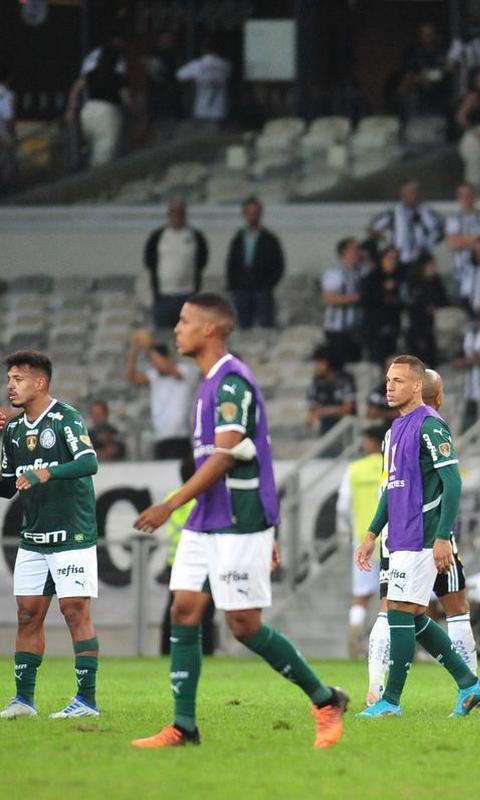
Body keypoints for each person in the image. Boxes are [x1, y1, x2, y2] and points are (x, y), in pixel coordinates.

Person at [131, 294, 349, 748]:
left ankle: (326, 699)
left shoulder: (231, 382)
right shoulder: (208, 382)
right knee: (184, 609)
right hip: (208, 517)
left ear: (210, 329)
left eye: (185, 321)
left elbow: (226, 455)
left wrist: (171, 503)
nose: (177, 329)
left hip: (237, 515)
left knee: (243, 624)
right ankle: (184, 726)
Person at [354, 356, 480, 719]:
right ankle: (469, 684)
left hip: (423, 534)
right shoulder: (397, 428)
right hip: (399, 535)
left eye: (398, 380)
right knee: (410, 616)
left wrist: (443, 537)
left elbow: (453, 481)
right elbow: (392, 489)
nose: (389, 386)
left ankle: (391, 701)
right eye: (388, 379)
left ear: (417, 386)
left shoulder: (430, 425)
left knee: (401, 611)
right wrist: (372, 533)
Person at [0, 351, 101, 720]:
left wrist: (49, 472)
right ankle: (24, 701)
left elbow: (89, 462)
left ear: (40, 383)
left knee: (75, 611)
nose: (10, 385)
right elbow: (8, 487)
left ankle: (86, 701)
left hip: (72, 533)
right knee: (27, 615)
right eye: (9, 379)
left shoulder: (65, 418)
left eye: (18, 379)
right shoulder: (11, 429)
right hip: (33, 536)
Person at [157, 454, 217, 657]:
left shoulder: (172, 499)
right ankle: (206, 652)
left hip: (175, 561)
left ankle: (166, 651)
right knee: (205, 613)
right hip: (201, 561)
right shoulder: (202, 500)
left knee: (173, 611)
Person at [338, 426, 386, 658]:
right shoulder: (389, 466)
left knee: (361, 596)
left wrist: (351, 530)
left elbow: (343, 506)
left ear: (370, 442)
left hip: (363, 541)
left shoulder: (354, 470)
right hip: (389, 540)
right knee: (391, 597)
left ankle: (355, 636)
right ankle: (388, 646)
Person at [124, 329, 197, 459]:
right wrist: (135, 349)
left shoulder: (183, 371)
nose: (154, 363)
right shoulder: (154, 376)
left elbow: (165, 367)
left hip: (180, 437)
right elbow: (131, 376)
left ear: (167, 358)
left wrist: (149, 345)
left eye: (155, 359)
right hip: (161, 437)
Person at [65, 33, 130, 168]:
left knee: (92, 146)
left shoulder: (91, 74)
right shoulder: (117, 77)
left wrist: (71, 108)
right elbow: (126, 98)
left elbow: (75, 89)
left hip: (88, 111)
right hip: (108, 112)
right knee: (103, 153)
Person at [144, 199, 208, 330]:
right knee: (163, 338)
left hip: (188, 296)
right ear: (168, 214)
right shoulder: (158, 236)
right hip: (164, 297)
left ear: (185, 215)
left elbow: (202, 260)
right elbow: (149, 261)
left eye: (180, 213)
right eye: (173, 213)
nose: (177, 216)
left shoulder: (195, 236)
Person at [225, 197, 285, 330]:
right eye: (249, 212)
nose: (252, 216)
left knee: (266, 326)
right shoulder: (238, 239)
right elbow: (231, 264)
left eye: (255, 212)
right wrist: (234, 285)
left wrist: (268, 284)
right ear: (244, 214)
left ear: (260, 214)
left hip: (262, 290)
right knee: (243, 326)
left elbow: (278, 265)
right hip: (241, 290)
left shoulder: (270, 239)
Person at [368, 181, 443, 265]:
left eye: (414, 193)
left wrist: (431, 244)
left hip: (421, 260)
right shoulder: (393, 212)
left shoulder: (426, 211)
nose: (412, 196)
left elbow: (442, 228)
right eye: (408, 193)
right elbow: (372, 228)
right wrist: (385, 243)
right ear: (402, 195)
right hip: (399, 260)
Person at [360, 246, 406, 366]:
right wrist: (383, 291)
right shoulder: (371, 278)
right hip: (376, 329)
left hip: (394, 326)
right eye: (390, 258)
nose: (393, 262)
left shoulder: (400, 277)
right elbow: (366, 301)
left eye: (395, 259)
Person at [322, 237, 364, 365]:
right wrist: (355, 298)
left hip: (354, 329)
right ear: (344, 252)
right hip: (338, 330)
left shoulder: (358, 273)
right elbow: (329, 298)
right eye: (354, 250)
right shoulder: (336, 273)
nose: (358, 253)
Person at [174, 38, 231, 128]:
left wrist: (194, 79)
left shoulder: (197, 65)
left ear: (203, 49)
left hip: (202, 109)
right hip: (220, 110)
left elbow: (179, 75)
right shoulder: (225, 65)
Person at [306, 346, 356, 436]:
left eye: (320, 363)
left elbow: (347, 409)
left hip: (345, 425)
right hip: (325, 426)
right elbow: (313, 412)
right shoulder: (316, 382)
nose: (316, 366)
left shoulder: (345, 379)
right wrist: (335, 410)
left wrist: (323, 411)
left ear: (328, 363)